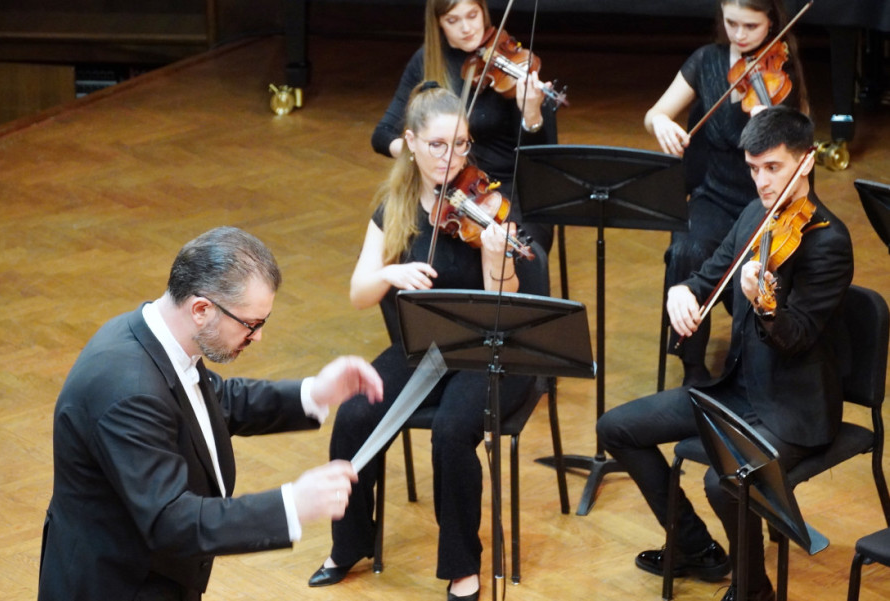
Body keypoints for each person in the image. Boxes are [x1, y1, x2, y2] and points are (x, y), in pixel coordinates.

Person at [37, 226, 383, 601]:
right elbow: (171, 519)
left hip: (152, 573)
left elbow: (215, 400)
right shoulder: (130, 390)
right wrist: (292, 504)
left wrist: (315, 393)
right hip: (118, 586)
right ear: (201, 309)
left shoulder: (159, 337)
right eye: (252, 324)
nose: (258, 337)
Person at [597, 106, 853, 601]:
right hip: (734, 390)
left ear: (806, 162)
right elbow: (708, 274)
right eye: (753, 168)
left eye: (772, 167)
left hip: (791, 408)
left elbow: (797, 336)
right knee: (616, 427)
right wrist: (683, 292)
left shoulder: (828, 242)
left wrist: (764, 302)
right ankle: (695, 548)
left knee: (722, 481)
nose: (760, 181)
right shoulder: (755, 214)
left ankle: (752, 590)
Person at [308, 83, 543, 601]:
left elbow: (503, 302)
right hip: (421, 349)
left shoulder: (487, 203)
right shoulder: (393, 205)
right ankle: (350, 543)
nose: (452, 157)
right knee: (352, 416)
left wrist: (498, 255)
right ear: (410, 142)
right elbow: (357, 293)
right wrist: (392, 273)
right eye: (439, 145)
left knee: (452, 433)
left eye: (461, 145)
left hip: (485, 352)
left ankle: (462, 566)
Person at [644, 0, 809, 386]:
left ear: (772, 23)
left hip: (766, 202)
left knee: (766, 278)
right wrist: (662, 124)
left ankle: (757, 357)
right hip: (714, 195)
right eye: (730, 22)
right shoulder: (707, 61)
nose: (738, 34)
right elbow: (654, 113)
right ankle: (692, 365)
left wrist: (773, 129)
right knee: (688, 250)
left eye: (750, 25)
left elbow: (803, 149)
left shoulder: (783, 70)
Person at [371, 0, 558, 254]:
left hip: (508, 190)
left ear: (484, 12)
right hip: (446, 190)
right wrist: (424, 152)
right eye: (453, 20)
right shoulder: (427, 60)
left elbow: (540, 158)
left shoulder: (511, 64)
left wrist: (532, 112)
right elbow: (382, 135)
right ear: (437, 23)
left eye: (472, 15)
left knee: (516, 252)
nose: (467, 28)